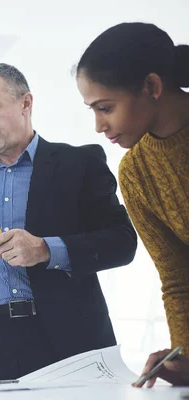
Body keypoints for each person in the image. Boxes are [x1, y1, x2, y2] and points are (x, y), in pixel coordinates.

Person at [0, 63, 137, 381]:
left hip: (65, 344)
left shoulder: (81, 163)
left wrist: (46, 249)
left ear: (26, 103)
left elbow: (122, 243)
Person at [75, 22, 189, 387]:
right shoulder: (136, 173)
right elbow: (176, 278)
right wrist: (184, 352)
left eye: (105, 107)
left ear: (152, 87)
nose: (98, 125)